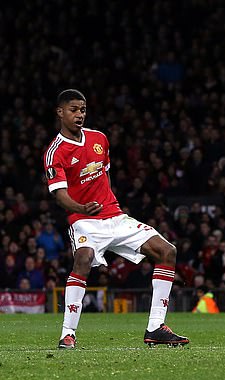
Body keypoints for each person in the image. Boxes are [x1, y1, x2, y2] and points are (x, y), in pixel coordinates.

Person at [44, 89, 188, 349]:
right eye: (73, 110)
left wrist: (109, 203)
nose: (79, 115)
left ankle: (156, 327)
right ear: (60, 112)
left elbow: (105, 174)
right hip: (83, 219)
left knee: (167, 251)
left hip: (114, 216)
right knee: (84, 258)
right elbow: (59, 196)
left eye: (83, 110)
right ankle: (68, 333)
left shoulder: (99, 138)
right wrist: (82, 208)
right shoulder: (56, 152)